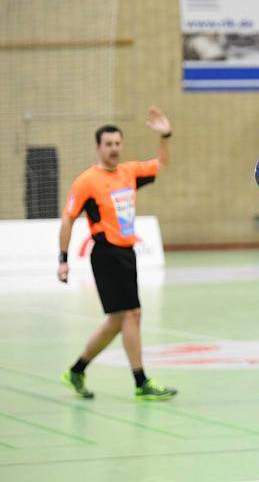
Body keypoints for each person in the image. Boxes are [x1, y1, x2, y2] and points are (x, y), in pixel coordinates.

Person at [58, 108, 178, 401]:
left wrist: (165, 135)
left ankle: (76, 370)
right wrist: (63, 260)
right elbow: (68, 218)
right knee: (133, 315)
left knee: (116, 322)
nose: (113, 149)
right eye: (108, 144)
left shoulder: (129, 172)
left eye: (117, 143)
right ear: (98, 147)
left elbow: (161, 163)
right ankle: (141, 382)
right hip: (106, 255)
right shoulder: (87, 181)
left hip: (127, 254)